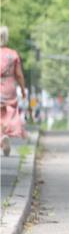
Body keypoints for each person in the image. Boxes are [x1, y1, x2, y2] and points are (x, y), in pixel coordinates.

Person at [1, 26, 28, 156]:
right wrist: (23, 90)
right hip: (9, 88)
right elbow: (19, 75)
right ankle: (5, 135)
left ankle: (1, 137)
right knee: (8, 113)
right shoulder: (13, 54)